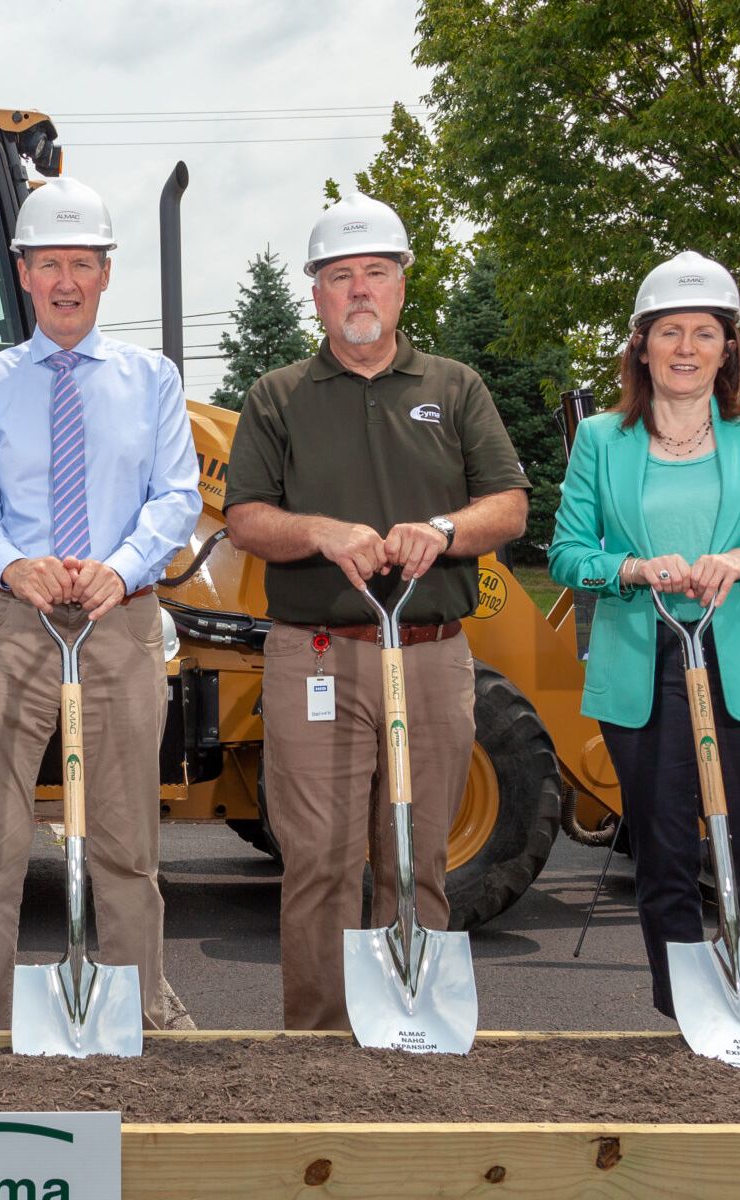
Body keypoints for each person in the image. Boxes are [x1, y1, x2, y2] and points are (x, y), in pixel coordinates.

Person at [223, 191, 530, 1032]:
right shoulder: (278, 396)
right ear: (316, 294)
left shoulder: (455, 388)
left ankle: (409, 1033)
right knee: (318, 861)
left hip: (431, 654)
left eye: (376, 273)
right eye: (340, 276)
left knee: (417, 855)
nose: (359, 289)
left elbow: (508, 506)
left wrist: (444, 530)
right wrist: (320, 531)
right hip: (316, 655)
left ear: (401, 285)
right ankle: (320, 1044)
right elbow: (245, 519)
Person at [0, 177, 198, 1032]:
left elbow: (176, 496)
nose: (65, 281)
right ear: (22, 273)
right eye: (48, 263)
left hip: (118, 622)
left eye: (82, 263)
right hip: (8, 624)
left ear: (105, 273)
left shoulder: (152, 380)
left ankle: (136, 1012)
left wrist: (120, 569)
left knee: (126, 843)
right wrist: (16, 566)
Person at [548, 249, 740, 1019]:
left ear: (728, 346)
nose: (686, 348)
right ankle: (686, 1015)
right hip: (644, 661)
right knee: (665, 848)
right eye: (669, 331)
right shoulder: (603, 438)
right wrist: (633, 569)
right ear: (641, 345)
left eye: (705, 333)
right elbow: (568, 554)